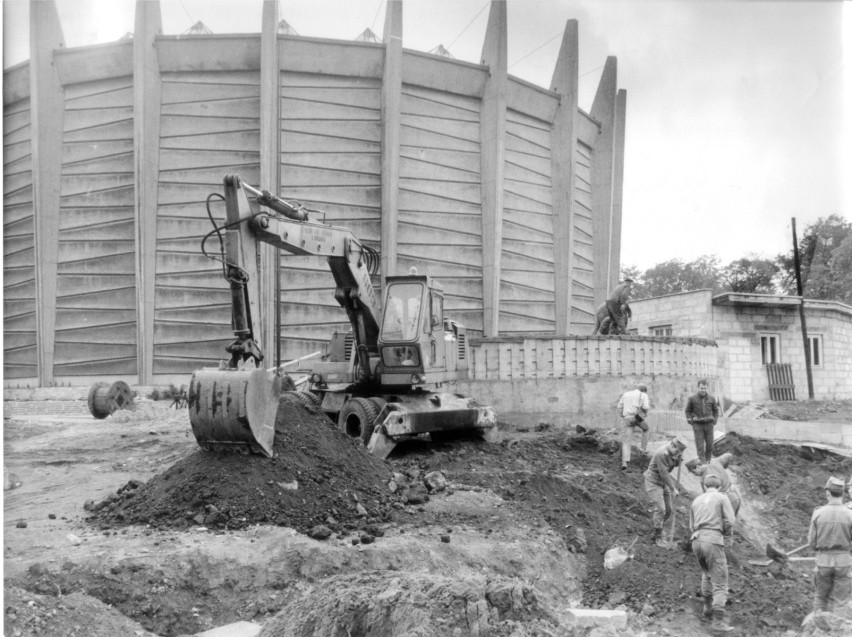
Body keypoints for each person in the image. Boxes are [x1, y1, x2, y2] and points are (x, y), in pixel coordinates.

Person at [689, 472, 736, 633]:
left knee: (707, 573)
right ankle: (717, 623)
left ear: (705, 485)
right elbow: (730, 521)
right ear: (719, 485)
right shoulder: (722, 498)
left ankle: (707, 607)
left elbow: (691, 524)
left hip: (696, 540)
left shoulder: (696, 500)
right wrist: (727, 537)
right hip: (712, 539)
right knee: (720, 581)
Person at [807, 476, 852, 615]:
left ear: (828, 493)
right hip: (844, 561)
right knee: (841, 601)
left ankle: (818, 631)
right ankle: (838, 632)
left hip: (823, 562)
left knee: (821, 598)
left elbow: (811, 542)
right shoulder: (850, 514)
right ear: (843, 494)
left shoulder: (818, 513)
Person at [644, 436, 689, 546]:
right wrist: (673, 488)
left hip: (663, 484)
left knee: (668, 510)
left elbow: (676, 464)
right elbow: (664, 473)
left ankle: (657, 529)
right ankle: (657, 536)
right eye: (677, 451)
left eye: (680, 452)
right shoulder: (661, 453)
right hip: (653, 481)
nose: (678, 453)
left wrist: (678, 458)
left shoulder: (674, 453)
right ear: (672, 445)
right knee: (660, 509)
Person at [616, 383, 651, 472]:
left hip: (627, 418)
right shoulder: (643, 395)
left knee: (627, 441)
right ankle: (643, 449)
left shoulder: (626, 394)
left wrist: (623, 416)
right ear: (643, 390)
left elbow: (619, 407)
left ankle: (625, 462)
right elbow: (646, 407)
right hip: (637, 417)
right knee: (646, 429)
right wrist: (645, 413)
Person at [685, 379, 720, 463]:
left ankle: (708, 461)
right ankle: (702, 463)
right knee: (700, 445)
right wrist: (690, 420)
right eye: (701, 388)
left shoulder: (712, 398)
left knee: (709, 445)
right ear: (698, 388)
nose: (703, 390)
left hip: (709, 425)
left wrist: (715, 420)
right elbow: (687, 410)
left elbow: (716, 410)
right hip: (698, 425)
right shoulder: (692, 398)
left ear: (707, 388)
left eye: (705, 388)